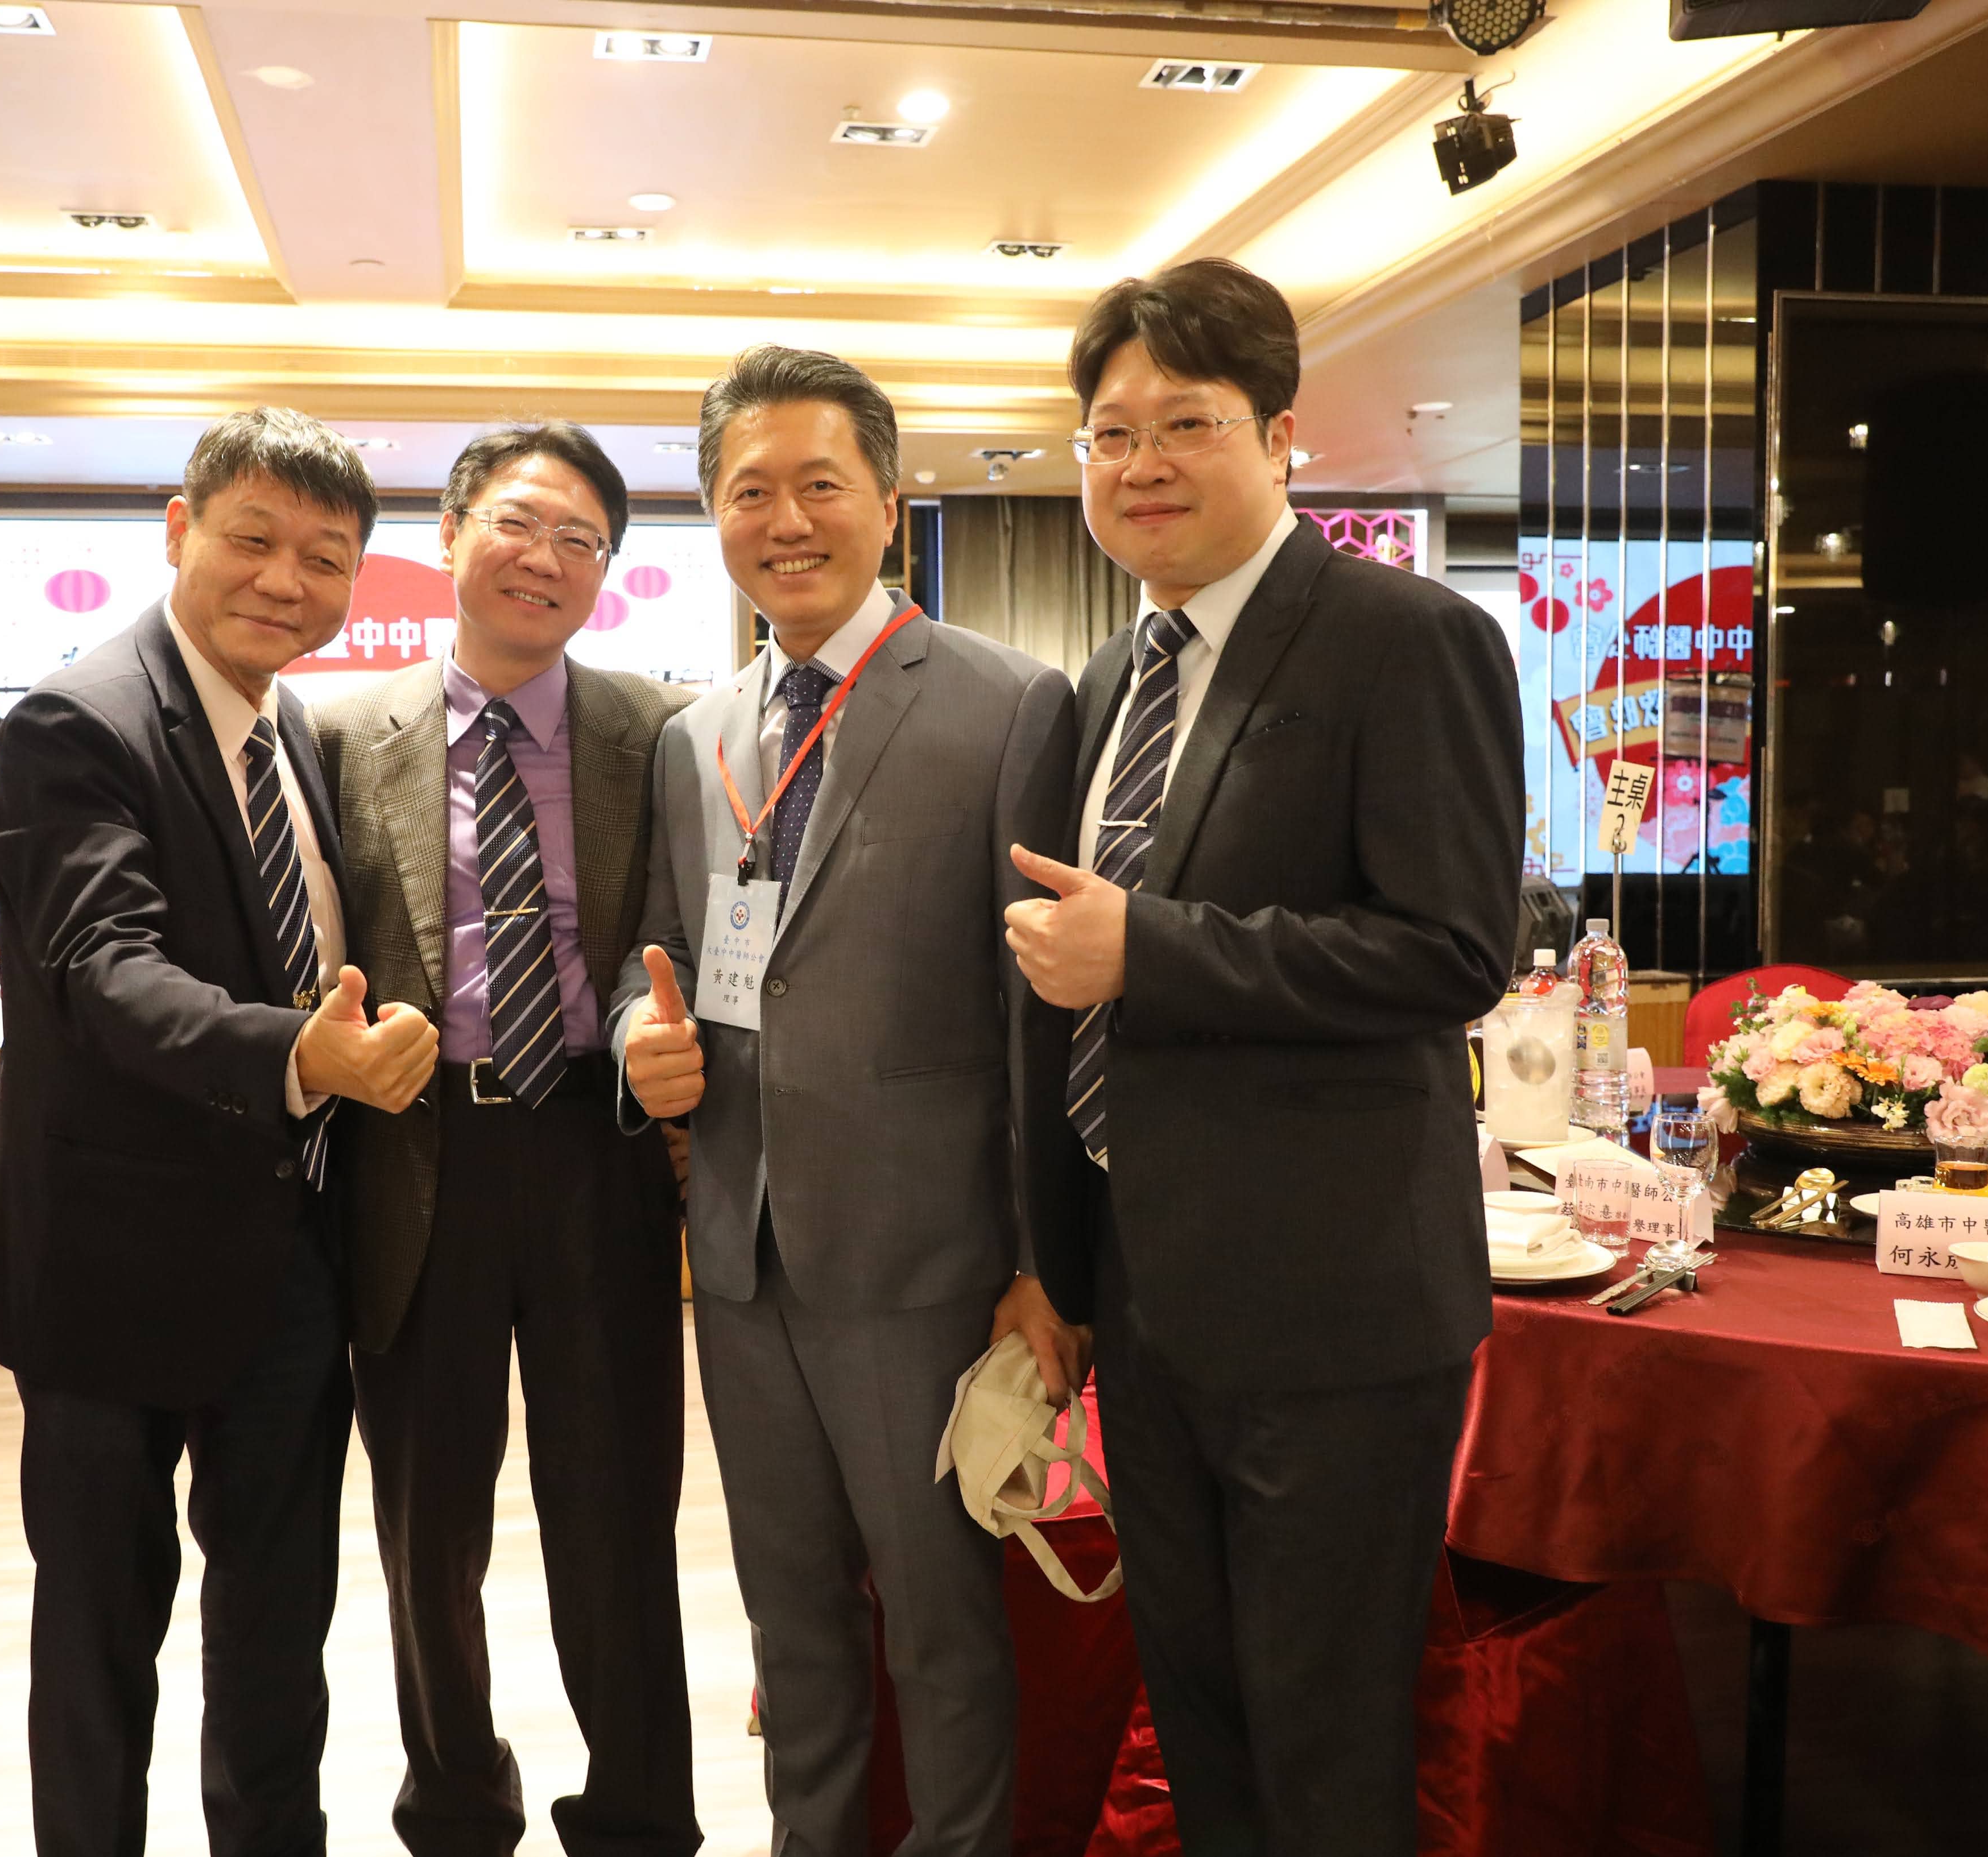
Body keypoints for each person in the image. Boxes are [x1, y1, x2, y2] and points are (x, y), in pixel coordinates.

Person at [1004, 258, 1521, 1857]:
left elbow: (1453, 950)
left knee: (1325, 1744)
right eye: (1110, 434)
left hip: (1333, 1312)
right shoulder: (1108, 681)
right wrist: (1061, 1270)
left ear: (1281, 435)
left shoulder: (1404, 637)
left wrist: (1152, 952)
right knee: (1203, 1723)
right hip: (1150, 1303)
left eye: (1186, 424)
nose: (1141, 464)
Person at [0, 407, 441, 1857]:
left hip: (288, 1259)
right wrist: (298, 1054)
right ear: (181, 529)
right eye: (254, 539)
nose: (286, 581)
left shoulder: (293, 730)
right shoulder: (79, 720)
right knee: (103, 1643)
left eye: (325, 558)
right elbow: (104, 973)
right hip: (109, 1268)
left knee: (278, 1631)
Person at [609, 345, 1080, 1857]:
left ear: (888, 499)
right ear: (713, 515)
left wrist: (1043, 1263)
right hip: (742, 1256)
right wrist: (636, 1040)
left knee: (942, 1630)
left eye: (821, 483)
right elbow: (660, 954)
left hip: (927, 1262)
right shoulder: (694, 734)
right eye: (750, 491)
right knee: (791, 1620)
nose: (787, 520)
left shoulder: (1009, 704)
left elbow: (1045, 1014)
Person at [316, 422, 699, 1857]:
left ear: (608, 571)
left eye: (580, 539)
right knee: (429, 1523)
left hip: (600, 1149)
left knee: (618, 1515)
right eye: (519, 523)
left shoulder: (660, 730)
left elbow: (685, 930)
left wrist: (665, 1047)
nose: (545, 558)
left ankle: (641, 1815)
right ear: (451, 530)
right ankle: (456, 1804)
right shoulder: (336, 732)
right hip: (421, 1156)